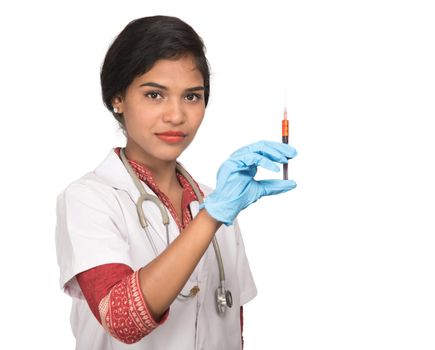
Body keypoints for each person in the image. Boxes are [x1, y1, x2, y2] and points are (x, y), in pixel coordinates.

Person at [55, 15, 297, 350]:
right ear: (118, 98)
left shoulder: (216, 202)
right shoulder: (88, 199)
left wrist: (214, 212)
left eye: (192, 96)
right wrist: (211, 217)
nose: (176, 115)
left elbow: (233, 327)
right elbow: (122, 319)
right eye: (155, 95)